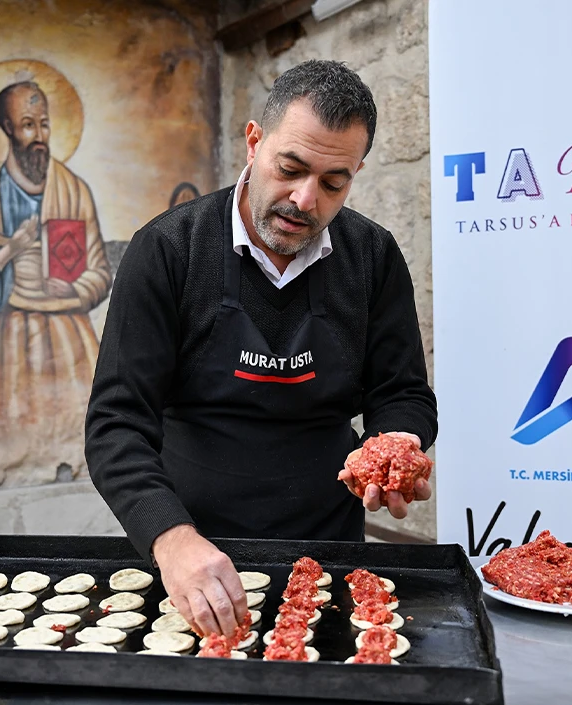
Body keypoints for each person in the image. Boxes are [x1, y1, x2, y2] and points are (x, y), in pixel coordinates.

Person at [84, 60, 437, 638]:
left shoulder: (372, 256)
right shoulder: (168, 250)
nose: (305, 199)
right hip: (190, 546)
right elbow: (116, 424)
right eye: (290, 169)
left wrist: (397, 442)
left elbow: (402, 392)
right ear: (254, 142)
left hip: (329, 549)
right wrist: (169, 538)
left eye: (334, 182)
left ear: (357, 172)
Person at [0, 80, 111, 491]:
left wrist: (74, 290)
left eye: (44, 123)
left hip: (71, 343)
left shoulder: (75, 191)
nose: (39, 135)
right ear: (7, 128)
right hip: (8, 346)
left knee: (83, 456)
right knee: (3, 456)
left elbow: (100, 271)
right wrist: (9, 251)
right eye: (27, 125)